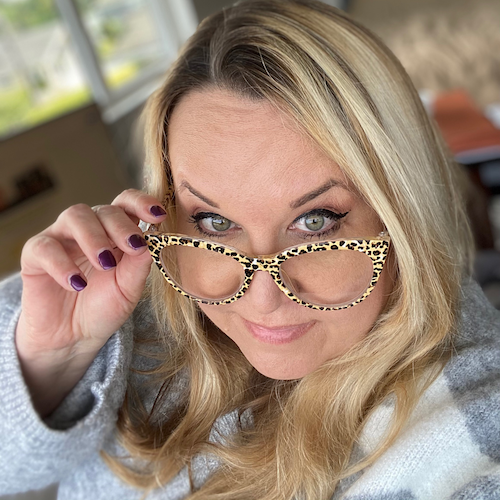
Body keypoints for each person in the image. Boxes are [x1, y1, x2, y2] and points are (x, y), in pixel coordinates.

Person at [1, 0, 499, 499]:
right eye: (214, 222)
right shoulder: (111, 302)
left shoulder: (469, 415)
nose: (262, 298)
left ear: (402, 211)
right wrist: (50, 361)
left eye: (315, 222)